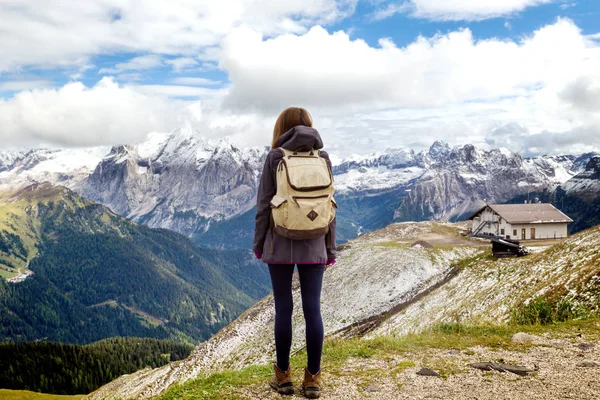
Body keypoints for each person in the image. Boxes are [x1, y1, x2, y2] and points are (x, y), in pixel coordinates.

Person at [253, 107, 337, 398]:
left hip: (279, 242)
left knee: (283, 309)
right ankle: (313, 379)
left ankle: (283, 376)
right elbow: (330, 206)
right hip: (316, 242)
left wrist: (258, 244)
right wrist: (330, 247)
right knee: (313, 309)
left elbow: (264, 204)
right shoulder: (322, 157)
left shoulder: (276, 157)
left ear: (281, 128)